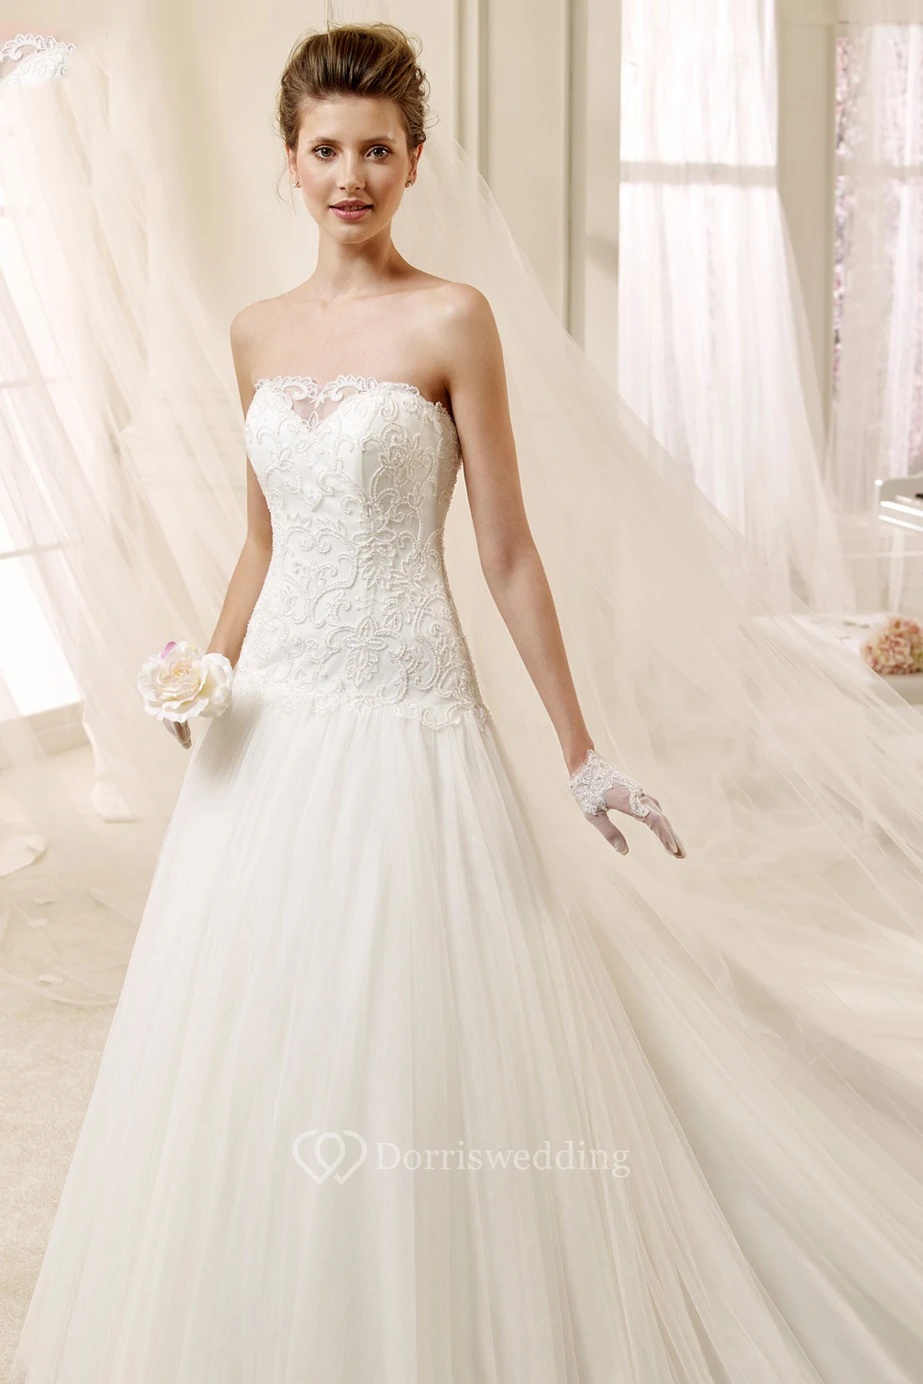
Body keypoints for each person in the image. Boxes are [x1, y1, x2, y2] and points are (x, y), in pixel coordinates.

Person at [9, 23, 923, 1384]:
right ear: (290, 161)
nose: (351, 177)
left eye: (376, 151)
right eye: (327, 150)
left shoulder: (453, 319)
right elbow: (262, 540)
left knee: (416, 1011)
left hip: (409, 707)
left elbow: (505, 553)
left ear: (415, 160)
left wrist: (579, 750)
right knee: (254, 1020)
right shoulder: (255, 331)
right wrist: (207, 670)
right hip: (270, 722)